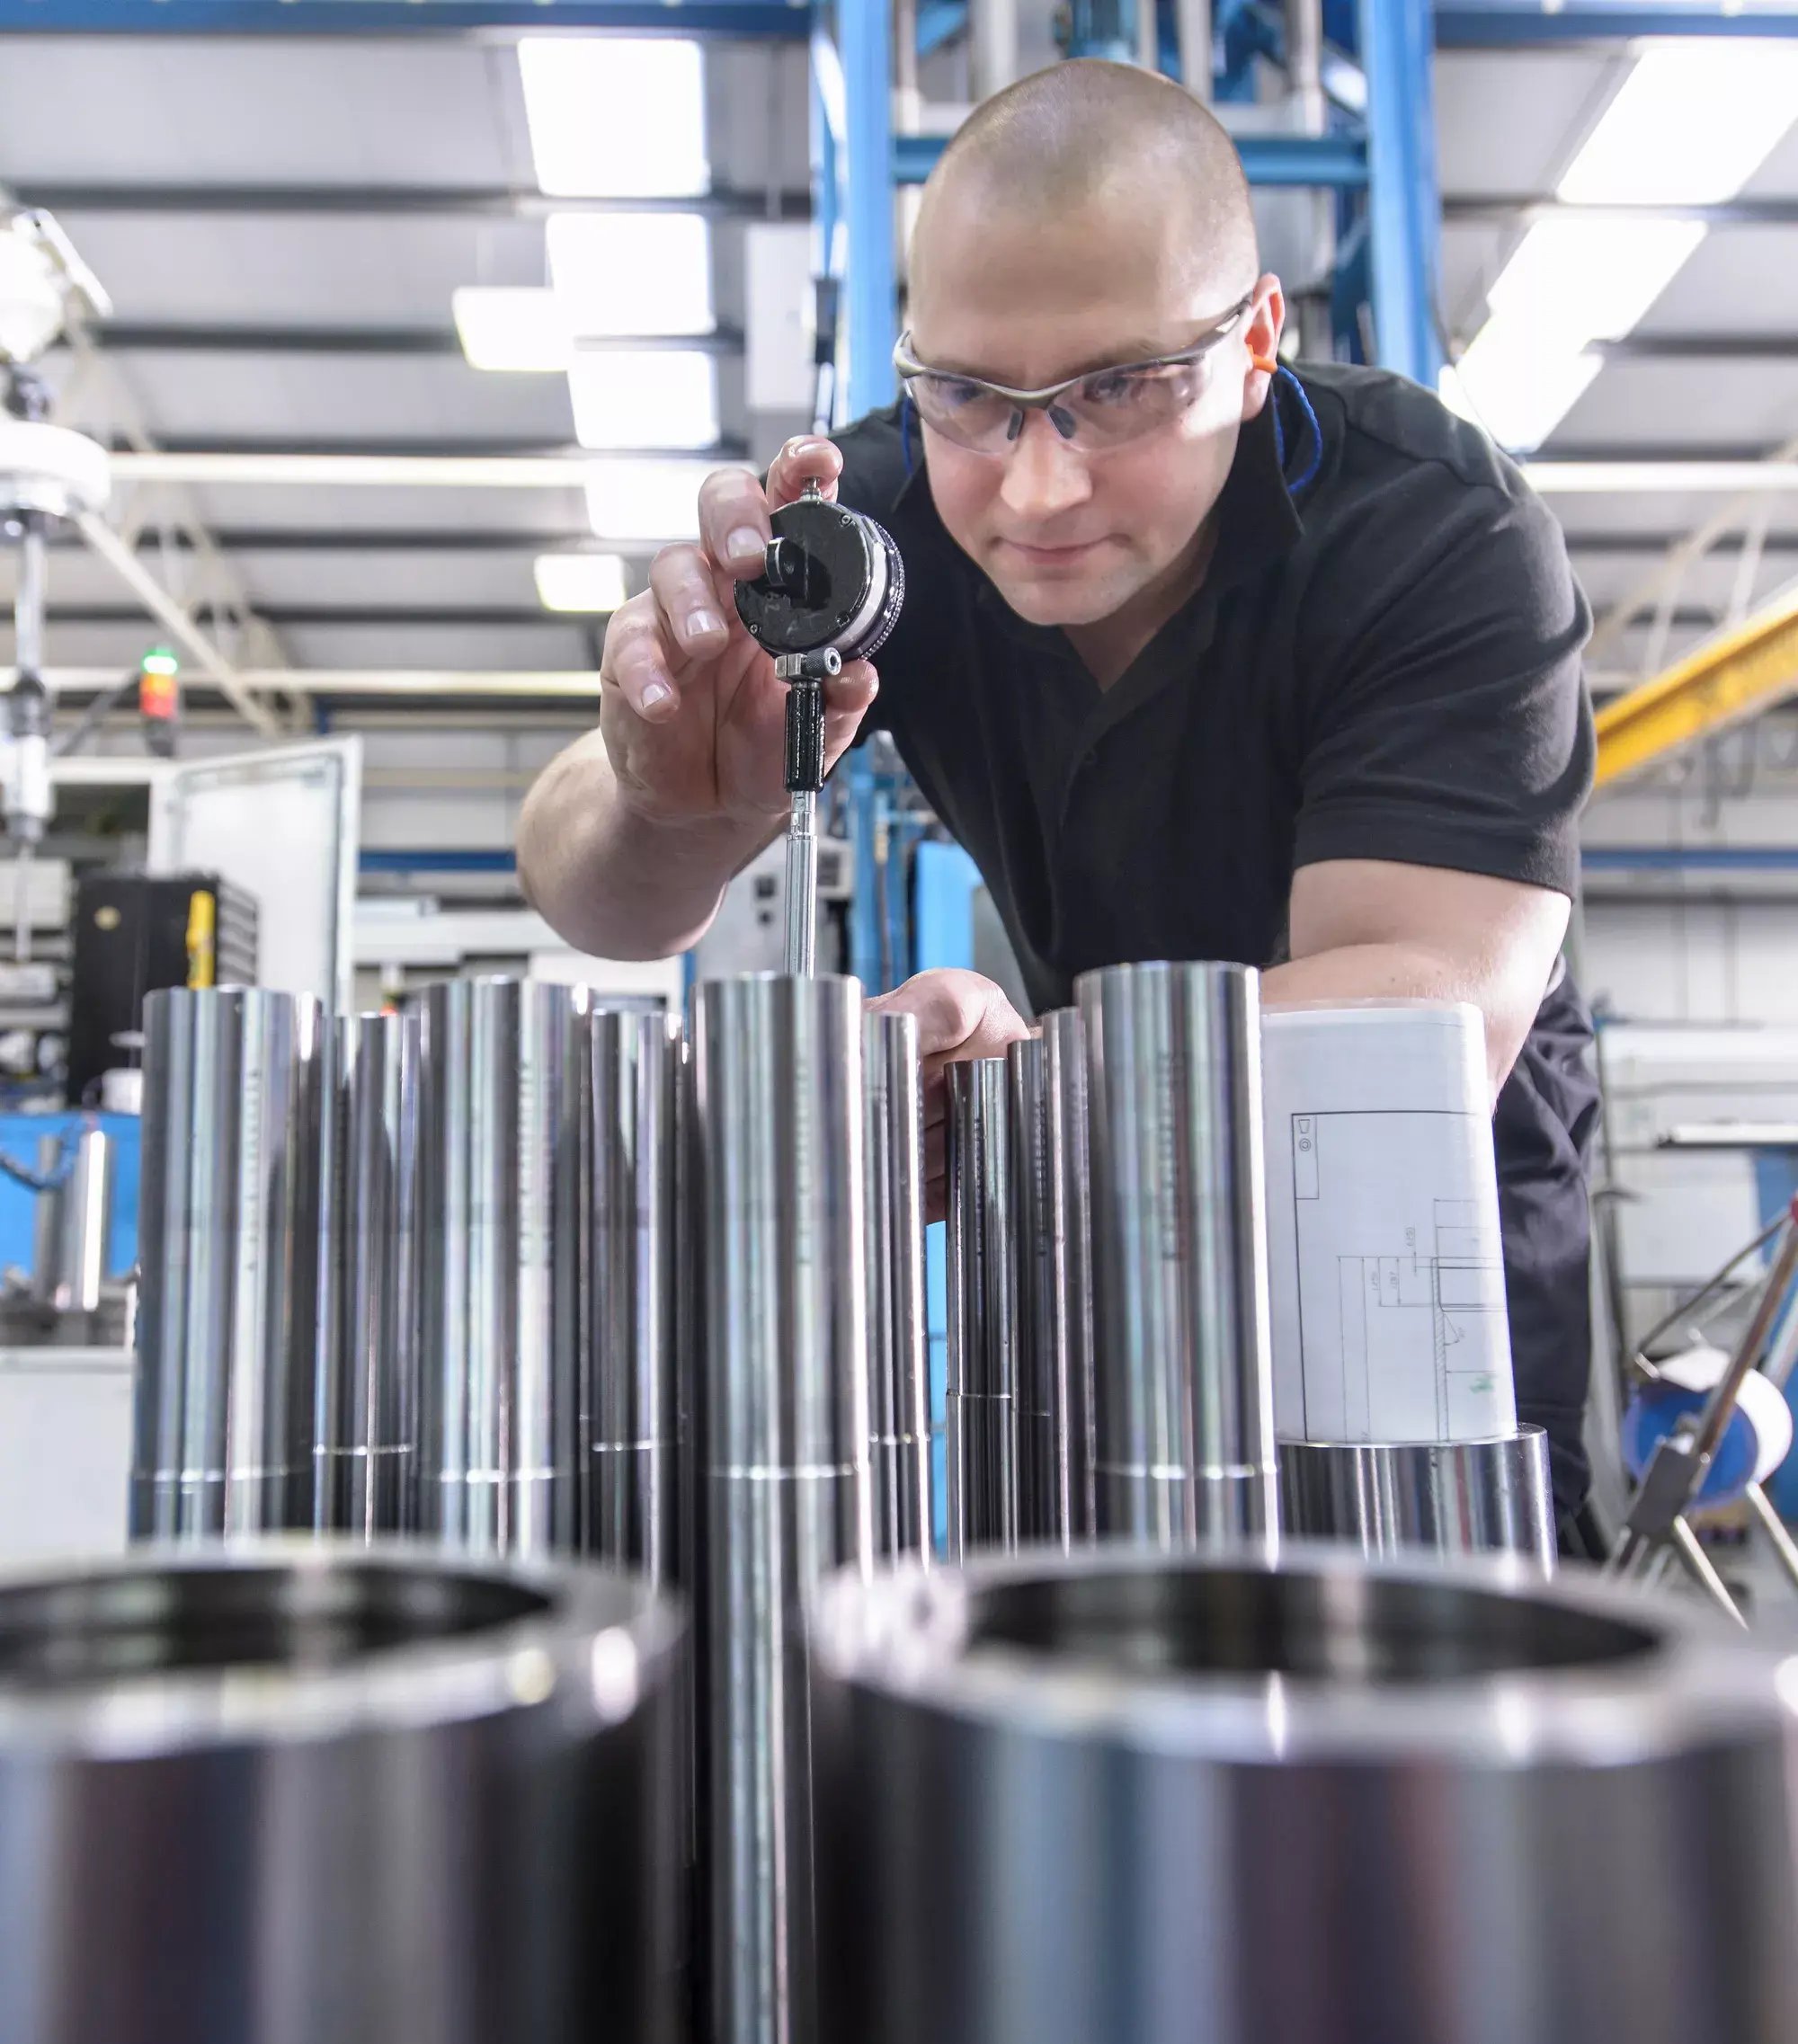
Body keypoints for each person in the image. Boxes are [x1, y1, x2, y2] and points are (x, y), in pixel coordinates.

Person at [518, 58, 1600, 1531]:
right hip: (1111, 1251)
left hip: (1411, 1284)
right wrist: (666, 787)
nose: (1036, 487)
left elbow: (1414, 1027)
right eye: (970, 395)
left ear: (1258, 341)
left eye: (1120, 389)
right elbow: (588, 884)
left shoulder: (1432, 530)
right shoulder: (884, 524)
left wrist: (1030, 1077)